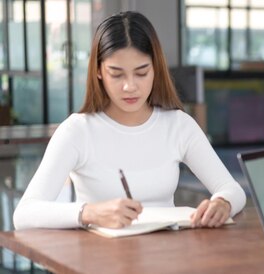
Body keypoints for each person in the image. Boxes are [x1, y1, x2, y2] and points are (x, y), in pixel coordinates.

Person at [13, 11, 246, 230]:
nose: (130, 86)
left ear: (156, 69)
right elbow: (24, 214)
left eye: (142, 72)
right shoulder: (78, 131)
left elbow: (231, 189)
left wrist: (223, 203)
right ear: (98, 71)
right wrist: (89, 213)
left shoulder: (178, 125)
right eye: (116, 73)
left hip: (169, 258)